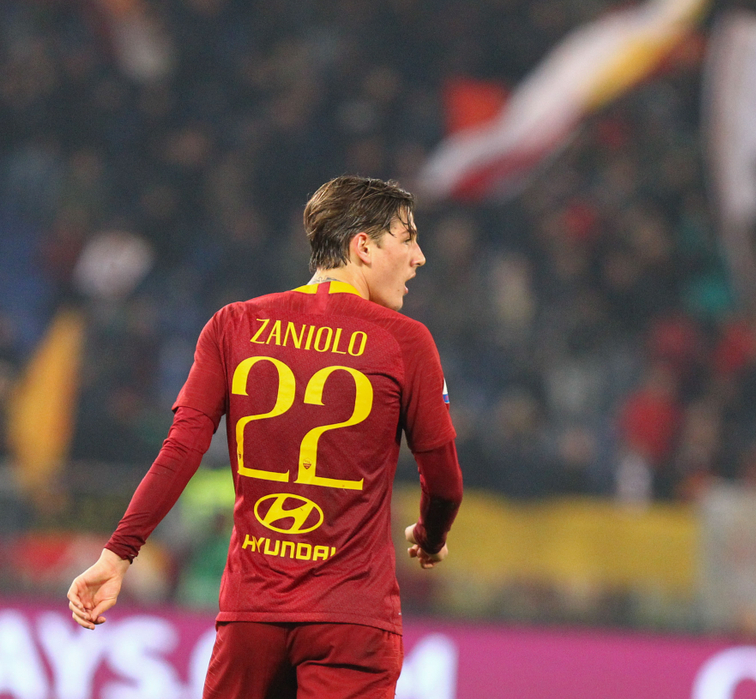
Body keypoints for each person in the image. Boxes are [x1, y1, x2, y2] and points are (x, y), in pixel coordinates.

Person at [67, 175, 463, 699]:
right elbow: (445, 484)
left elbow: (180, 451)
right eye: (408, 238)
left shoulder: (233, 325)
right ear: (363, 246)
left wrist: (118, 553)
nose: (419, 257)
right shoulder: (405, 342)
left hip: (251, 615)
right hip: (352, 620)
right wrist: (430, 536)